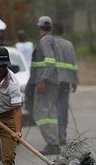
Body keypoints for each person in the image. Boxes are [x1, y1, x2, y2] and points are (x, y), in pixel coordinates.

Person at [27, 16, 60, 155]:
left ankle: (52, 143)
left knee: (40, 114)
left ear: (39, 27)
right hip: (50, 81)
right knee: (50, 113)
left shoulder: (45, 40)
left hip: (44, 82)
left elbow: (50, 61)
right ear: (50, 27)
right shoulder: (50, 39)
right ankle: (54, 143)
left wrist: (42, 80)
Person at [53, 23, 79, 145]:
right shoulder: (69, 45)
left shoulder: (49, 44)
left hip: (51, 82)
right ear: (63, 32)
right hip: (65, 82)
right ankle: (62, 134)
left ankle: (55, 136)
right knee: (63, 109)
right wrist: (74, 81)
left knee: (53, 109)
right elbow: (73, 63)